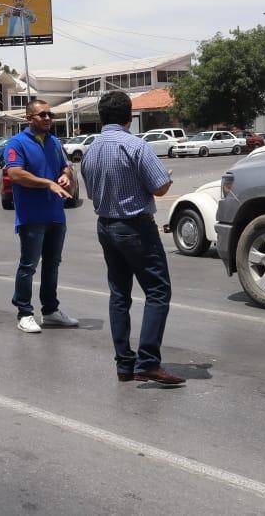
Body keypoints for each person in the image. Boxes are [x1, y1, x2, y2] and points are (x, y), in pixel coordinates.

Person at [79, 91, 183, 386]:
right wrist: (165, 176)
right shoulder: (135, 145)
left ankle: (124, 364)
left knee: (119, 295)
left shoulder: (91, 150)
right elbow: (160, 186)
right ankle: (148, 361)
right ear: (129, 116)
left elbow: (92, 191)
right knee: (158, 292)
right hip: (135, 227)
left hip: (106, 226)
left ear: (101, 117)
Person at [3, 99, 78, 334]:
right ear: (29, 118)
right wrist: (47, 183)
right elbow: (15, 174)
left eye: (50, 114)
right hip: (32, 216)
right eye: (42, 115)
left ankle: (50, 311)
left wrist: (65, 175)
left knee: (52, 265)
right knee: (29, 265)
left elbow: (65, 166)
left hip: (56, 215)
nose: (47, 118)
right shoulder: (17, 143)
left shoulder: (54, 142)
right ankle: (24, 312)